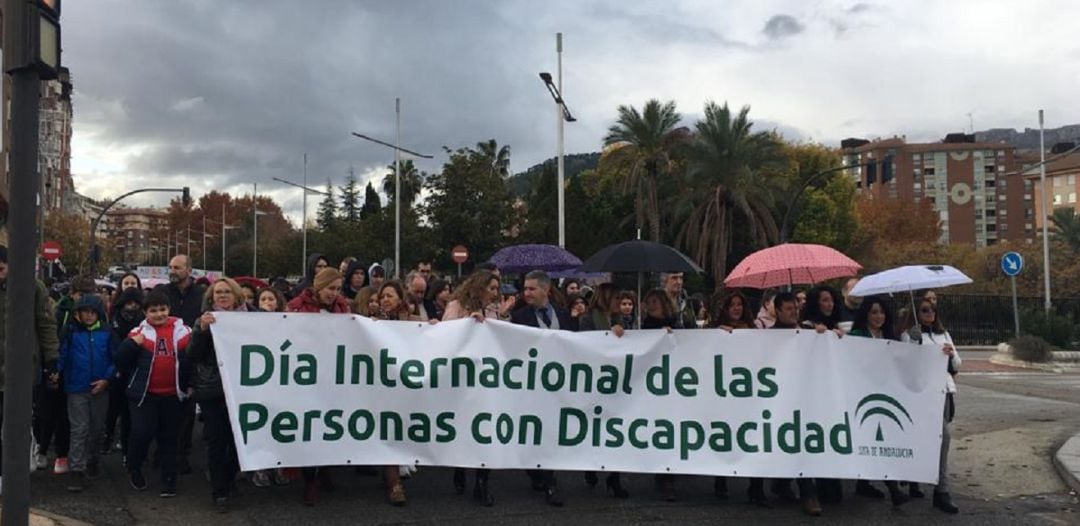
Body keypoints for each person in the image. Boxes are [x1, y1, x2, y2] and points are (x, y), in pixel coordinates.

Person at [286, 269, 368, 506]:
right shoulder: (296, 307)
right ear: (318, 287)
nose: (334, 294)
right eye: (330, 288)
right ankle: (310, 480)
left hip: (333, 377)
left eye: (337, 289)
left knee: (330, 423)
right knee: (310, 426)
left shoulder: (343, 309)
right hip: (307, 377)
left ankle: (325, 469)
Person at [114, 291, 192, 498]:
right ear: (145, 312)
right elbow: (120, 360)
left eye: (162, 309)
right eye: (153, 310)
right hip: (144, 395)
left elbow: (192, 360)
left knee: (169, 438)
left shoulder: (183, 332)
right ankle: (134, 467)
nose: (159, 314)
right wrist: (132, 344)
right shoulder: (138, 332)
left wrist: (190, 384)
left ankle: (169, 478)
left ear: (169, 309)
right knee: (142, 433)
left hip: (173, 395)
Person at [0, 244, 60, 494]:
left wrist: (51, 360)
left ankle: (17, 465)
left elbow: (46, 325)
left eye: (1, 269)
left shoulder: (34, 287)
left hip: (23, 367)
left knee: (18, 420)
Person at [510, 270, 571, 507]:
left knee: (551, 431)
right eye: (525, 289)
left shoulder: (564, 316)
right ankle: (538, 473)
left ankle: (548, 478)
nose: (526, 293)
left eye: (532, 289)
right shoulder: (519, 317)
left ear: (546, 290)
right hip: (530, 385)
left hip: (558, 385)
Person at [189, 278, 250, 511]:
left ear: (236, 296)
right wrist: (202, 332)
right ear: (211, 297)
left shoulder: (250, 319)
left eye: (227, 292)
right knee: (216, 441)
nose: (222, 296)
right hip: (213, 389)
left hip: (241, 389)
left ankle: (228, 476)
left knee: (238, 441)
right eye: (218, 293)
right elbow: (193, 354)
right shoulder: (203, 321)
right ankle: (219, 491)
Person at [442, 271, 501, 506]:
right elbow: (445, 336)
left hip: (488, 379)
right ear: (479, 287)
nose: (495, 293)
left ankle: (482, 482)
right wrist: (468, 325)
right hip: (463, 379)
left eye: (497, 289)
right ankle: (460, 466)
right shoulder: (457, 305)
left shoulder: (495, 310)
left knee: (485, 428)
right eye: (492, 288)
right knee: (464, 426)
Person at [901, 298, 961, 515]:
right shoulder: (910, 335)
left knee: (943, 438)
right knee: (920, 436)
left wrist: (951, 354)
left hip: (942, 391)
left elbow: (957, 365)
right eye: (924, 310)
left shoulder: (943, 335)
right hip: (920, 393)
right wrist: (913, 343)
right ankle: (915, 476)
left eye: (932, 310)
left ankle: (941, 490)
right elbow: (906, 362)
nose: (929, 314)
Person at [848, 295, 909, 507]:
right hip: (863, 395)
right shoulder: (857, 335)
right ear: (866, 314)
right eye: (874, 312)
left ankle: (880, 484)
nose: (879, 316)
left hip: (886, 393)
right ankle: (891, 488)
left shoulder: (890, 336)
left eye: (881, 312)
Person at [709, 290, 768, 505]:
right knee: (724, 435)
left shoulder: (754, 330)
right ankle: (721, 480)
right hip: (725, 393)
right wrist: (716, 333)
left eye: (739, 305)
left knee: (755, 437)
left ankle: (756, 487)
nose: (736, 308)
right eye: (732, 305)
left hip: (750, 392)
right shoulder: (716, 331)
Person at [768, 292, 823, 516]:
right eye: (788, 309)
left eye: (795, 308)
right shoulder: (768, 335)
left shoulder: (807, 331)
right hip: (779, 398)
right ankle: (802, 491)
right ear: (778, 311)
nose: (793, 312)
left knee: (801, 441)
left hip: (805, 397)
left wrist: (827, 334)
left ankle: (803, 489)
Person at [56, 294, 116, 492]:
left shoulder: (107, 332)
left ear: (98, 314)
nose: (89, 316)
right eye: (85, 312)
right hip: (76, 387)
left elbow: (114, 358)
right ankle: (77, 469)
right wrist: (56, 371)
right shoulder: (71, 332)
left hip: (100, 387)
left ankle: (92, 459)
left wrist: (106, 380)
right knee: (79, 429)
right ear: (78, 314)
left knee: (97, 428)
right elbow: (63, 354)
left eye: (92, 312)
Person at [156, 255, 205, 476]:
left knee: (186, 413)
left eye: (177, 267)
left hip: (191, 360)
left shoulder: (201, 295)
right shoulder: (162, 292)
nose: (172, 271)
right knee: (164, 412)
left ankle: (182, 455)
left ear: (189, 269)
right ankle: (162, 453)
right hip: (165, 359)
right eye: (170, 267)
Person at [39, 276, 93, 475]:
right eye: (81, 295)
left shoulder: (93, 314)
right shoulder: (61, 312)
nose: (84, 300)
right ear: (72, 294)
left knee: (65, 416)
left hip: (75, 374)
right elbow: (54, 340)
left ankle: (62, 454)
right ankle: (43, 449)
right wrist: (52, 368)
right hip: (57, 368)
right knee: (48, 413)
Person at [105, 287, 143, 458]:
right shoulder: (113, 322)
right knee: (112, 409)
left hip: (136, 372)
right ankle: (108, 437)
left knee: (130, 413)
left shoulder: (143, 323)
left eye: (136, 303)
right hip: (116, 372)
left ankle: (127, 445)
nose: (132, 307)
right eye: (129, 303)